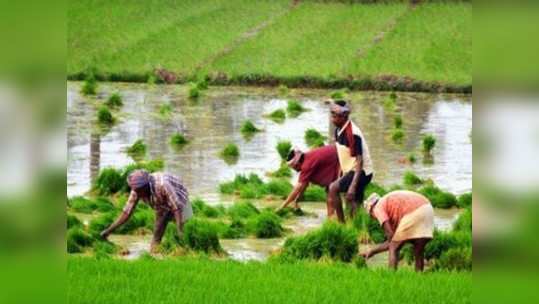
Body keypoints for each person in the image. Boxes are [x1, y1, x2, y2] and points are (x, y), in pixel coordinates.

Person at [100, 170, 193, 252]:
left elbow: (177, 208)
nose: (135, 192)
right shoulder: (137, 190)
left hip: (179, 196)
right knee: (158, 229)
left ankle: (187, 247)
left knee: (185, 227)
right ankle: (155, 251)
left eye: (139, 191)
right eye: (134, 189)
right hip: (160, 202)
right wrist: (108, 231)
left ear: (146, 187)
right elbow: (127, 212)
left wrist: (180, 231)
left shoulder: (163, 185)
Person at [360, 191, 434, 271]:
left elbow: (391, 239)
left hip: (414, 212)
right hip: (428, 209)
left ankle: (392, 277)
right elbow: (395, 239)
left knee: (393, 248)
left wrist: (373, 251)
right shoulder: (390, 204)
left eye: (371, 215)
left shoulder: (378, 207)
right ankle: (419, 277)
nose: (374, 218)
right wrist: (372, 251)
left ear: (371, 208)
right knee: (418, 250)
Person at [328, 100, 374, 222]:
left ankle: (342, 225)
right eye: (332, 115)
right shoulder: (338, 130)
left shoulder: (353, 133)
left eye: (335, 116)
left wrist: (352, 186)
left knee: (333, 188)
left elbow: (360, 160)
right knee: (353, 206)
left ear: (344, 116)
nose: (332, 119)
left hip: (362, 171)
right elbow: (343, 155)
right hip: (351, 170)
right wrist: (341, 175)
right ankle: (357, 227)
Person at [276, 145, 340, 216]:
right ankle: (332, 219)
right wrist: (296, 200)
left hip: (340, 159)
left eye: (293, 167)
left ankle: (336, 220)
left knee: (331, 196)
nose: (294, 170)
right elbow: (304, 185)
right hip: (335, 158)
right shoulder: (307, 157)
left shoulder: (306, 165)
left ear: (297, 164)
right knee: (330, 196)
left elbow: (297, 188)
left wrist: (282, 207)